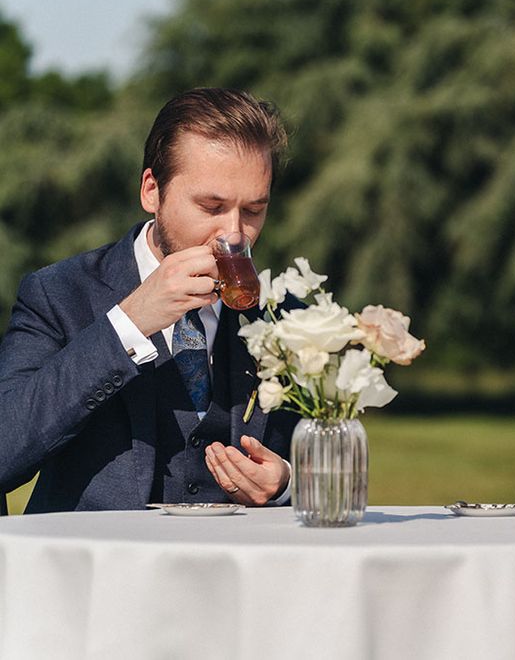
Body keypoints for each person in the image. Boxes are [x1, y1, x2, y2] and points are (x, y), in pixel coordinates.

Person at [0, 87, 301, 512]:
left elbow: (333, 468)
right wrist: (129, 321)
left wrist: (287, 483)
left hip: (238, 573)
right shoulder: (58, 294)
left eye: (253, 210)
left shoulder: (290, 316)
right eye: (211, 206)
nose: (234, 234)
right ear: (151, 192)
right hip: (96, 570)